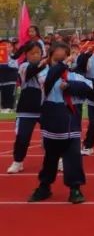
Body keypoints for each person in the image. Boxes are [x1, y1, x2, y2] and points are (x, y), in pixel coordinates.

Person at [28, 41, 93, 204]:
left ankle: (75, 188)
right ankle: (44, 186)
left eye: (65, 59)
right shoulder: (43, 75)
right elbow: (50, 79)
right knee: (50, 158)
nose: (63, 63)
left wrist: (70, 85)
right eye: (57, 60)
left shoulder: (75, 76)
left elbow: (89, 89)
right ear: (49, 59)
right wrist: (62, 65)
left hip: (71, 122)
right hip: (52, 122)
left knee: (73, 158)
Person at [7, 40, 46, 174]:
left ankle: (57, 159)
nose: (35, 55)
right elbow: (33, 69)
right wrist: (48, 60)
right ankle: (18, 161)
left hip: (45, 107)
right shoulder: (23, 66)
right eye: (31, 53)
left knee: (51, 136)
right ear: (26, 55)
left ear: (42, 53)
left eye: (38, 53)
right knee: (22, 137)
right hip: (27, 107)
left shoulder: (49, 66)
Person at [0, 38, 16, 113]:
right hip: (1, 81)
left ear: (12, 48)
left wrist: (4, 65)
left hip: (10, 82)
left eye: (8, 46)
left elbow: (14, 68)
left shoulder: (14, 57)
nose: (6, 48)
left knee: (8, 101)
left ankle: (9, 112)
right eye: (3, 46)